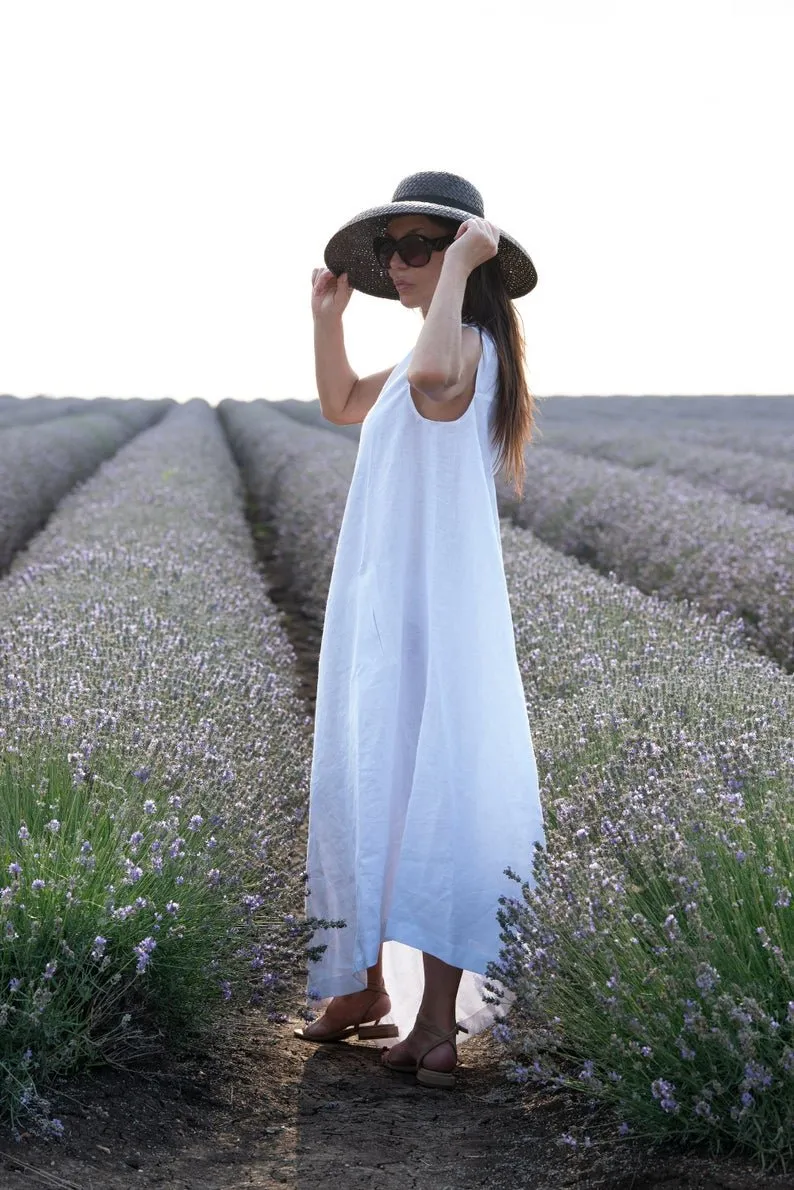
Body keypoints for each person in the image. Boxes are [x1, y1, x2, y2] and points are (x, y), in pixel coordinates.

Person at [294, 171, 545, 1089]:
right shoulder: (426, 350)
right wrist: (328, 317)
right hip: (387, 599)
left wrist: (468, 262)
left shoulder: (467, 343)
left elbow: (437, 374)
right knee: (377, 777)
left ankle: (436, 1020)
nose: (396, 266)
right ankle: (370, 993)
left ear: (460, 258)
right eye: (390, 251)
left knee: (438, 791)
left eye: (416, 249)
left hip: (436, 609)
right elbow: (341, 403)